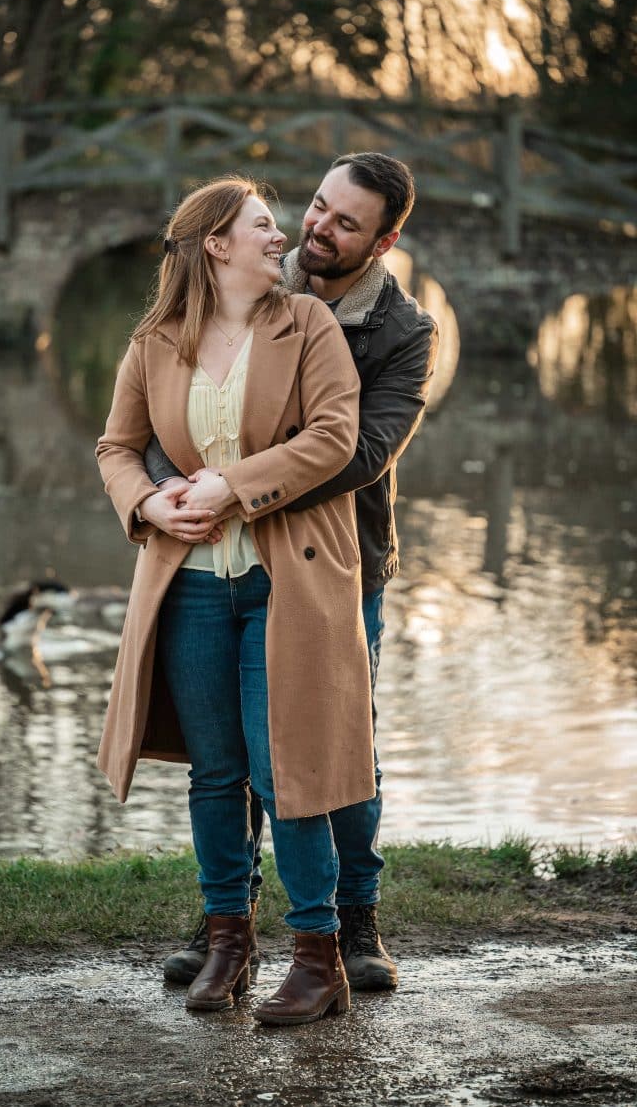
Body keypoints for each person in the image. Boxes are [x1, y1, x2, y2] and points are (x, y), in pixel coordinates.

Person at [123, 152, 439, 993]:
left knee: (335, 741)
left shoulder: (401, 331)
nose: (316, 228)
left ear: (384, 240)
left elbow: (360, 451)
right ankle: (228, 924)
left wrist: (238, 485)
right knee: (229, 751)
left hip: (343, 553)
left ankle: (352, 926)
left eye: (345, 222)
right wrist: (168, 490)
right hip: (217, 551)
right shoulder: (252, 279)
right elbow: (169, 416)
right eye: (316, 207)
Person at [95, 176, 376, 1026]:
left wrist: (232, 487)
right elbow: (117, 447)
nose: (281, 235)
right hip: (187, 589)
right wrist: (147, 503)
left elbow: (335, 437)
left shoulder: (310, 324)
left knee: (286, 771)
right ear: (216, 244)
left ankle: (318, 955)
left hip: (285, 581)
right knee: (217, 777)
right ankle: (227, 941)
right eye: (263, 224)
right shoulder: (155, 341)